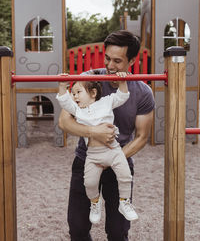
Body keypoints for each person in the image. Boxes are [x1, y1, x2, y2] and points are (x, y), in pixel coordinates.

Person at [59, 30, 155, 241]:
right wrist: (94, 133)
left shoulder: (142, 92)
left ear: (132, 60)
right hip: (86, 159)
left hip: (119, 160)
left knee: (118, 231)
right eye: (108, 58)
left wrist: (111, 158)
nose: (110, 66)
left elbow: (141, 137)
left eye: (118, 61)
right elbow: (64, 121)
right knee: (77, 227)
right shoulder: (86, 81)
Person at [56, 72, 138, 225]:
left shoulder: (106, 102)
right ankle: (95, 202)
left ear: (93, 93)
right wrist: (62, 86)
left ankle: (125, 203)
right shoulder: (77, 109)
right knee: (89, 183)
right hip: (93, 155)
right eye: (73, 94)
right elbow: (65, 102)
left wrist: (122, 80)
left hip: (113, 150)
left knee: (125, 176)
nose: (75, 97)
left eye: (78, 92)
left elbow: (122, 96)